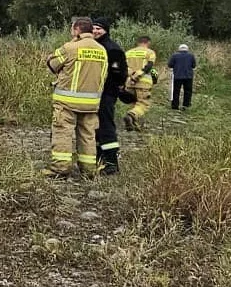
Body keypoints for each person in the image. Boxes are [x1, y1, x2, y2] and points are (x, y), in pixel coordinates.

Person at [44, 17, 108, 178]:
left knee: (63, 133)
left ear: (77, 30)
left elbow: (52, 64)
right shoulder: (102, 50)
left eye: (72, 29)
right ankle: (88, 170)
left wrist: (72, 42)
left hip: (67, 102)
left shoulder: (70, 47)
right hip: (92, 103)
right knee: (87, 135)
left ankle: (60, 168)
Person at [92, 18, 129, 175]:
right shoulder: (94, 46)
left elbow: (120, 74)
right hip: (95, 93)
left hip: (107, 93)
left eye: (99, 28)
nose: (95, 31)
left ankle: (112, 163)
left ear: (106, 30)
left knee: (106, 125)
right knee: (96, 127)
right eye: (93, 28)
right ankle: (100, 158)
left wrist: (114, 88)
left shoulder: (112, 49)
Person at [123, 36, 157, 131]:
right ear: (148, 42)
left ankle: (134, 124)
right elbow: (148, 67)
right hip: (143, 83)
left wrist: (131, 76)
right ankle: (131, 116)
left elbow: (124, 68)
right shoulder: (150, 52)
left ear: (138, 42)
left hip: (129, 83)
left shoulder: (128, 53)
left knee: (134, 103)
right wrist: (137, 76)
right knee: (143, 104)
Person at [167, 44, 197, 110]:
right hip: (188, 76)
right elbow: (194, 65)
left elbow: (170, 65)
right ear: (187, 49)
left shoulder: (174, 55)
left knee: (176, 91)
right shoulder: (191, 56)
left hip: (177, 76)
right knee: (188, 91)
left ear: (179, 49)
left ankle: (175, 106)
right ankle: (186, 105)